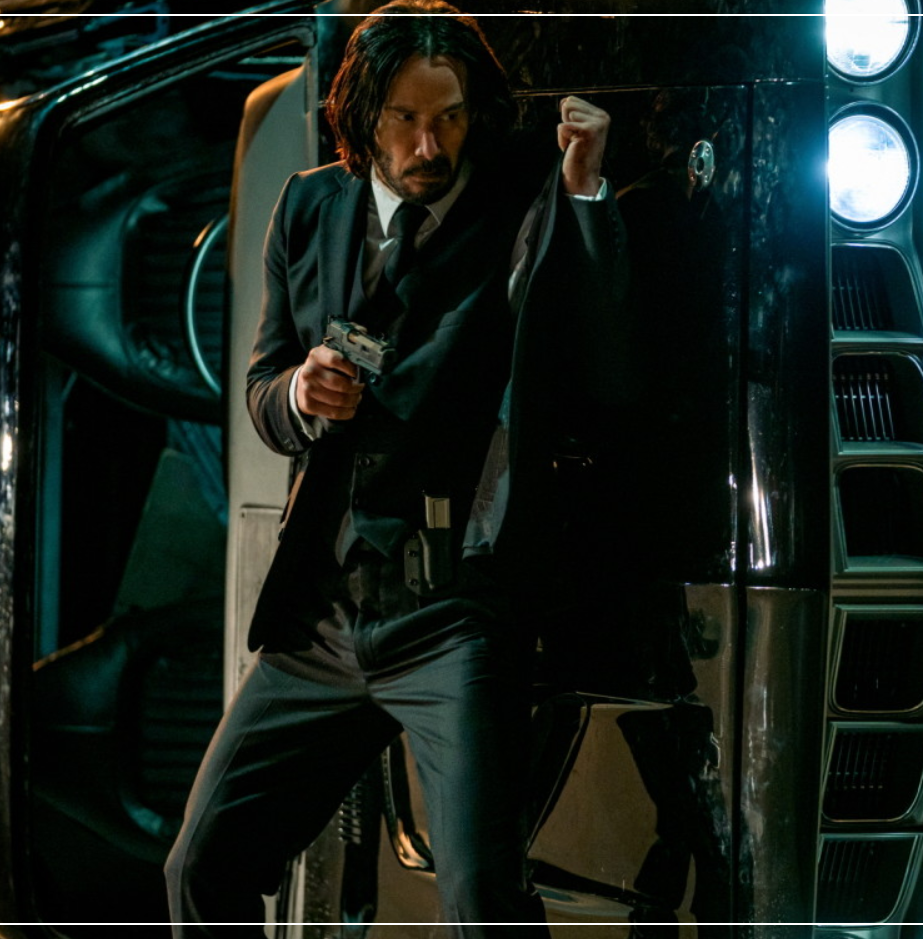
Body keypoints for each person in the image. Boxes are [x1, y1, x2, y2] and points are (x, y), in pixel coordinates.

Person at [164, 2, 626, 935]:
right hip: (328, 617)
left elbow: (599, 357)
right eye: (405, 120)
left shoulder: (520, 200)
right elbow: (260, 387)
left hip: (451, 616)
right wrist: (299, 393)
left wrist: (583, 193)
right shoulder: (309, 207)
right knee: (201, 865)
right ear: (363, 117)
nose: (428, 144)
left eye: (448, 118)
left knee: (485, 904)